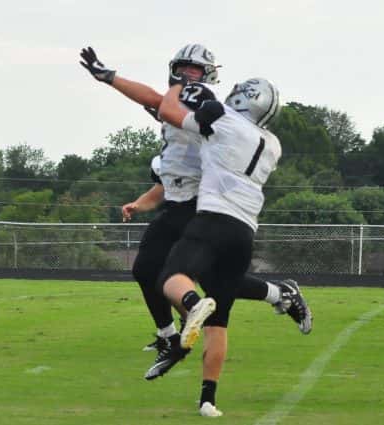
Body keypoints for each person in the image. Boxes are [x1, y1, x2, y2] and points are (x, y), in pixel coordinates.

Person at [80, 45, 312, 388]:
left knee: (188, 277)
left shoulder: (201, 96)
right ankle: (269, 298)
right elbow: (157, 104)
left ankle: (177, 336)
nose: (188, 74)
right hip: (178, 201)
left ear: (208, 75)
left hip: (197, 203)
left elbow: (158, 101)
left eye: (195, 69)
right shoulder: (185, 97)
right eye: (183, 68)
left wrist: (110, 78)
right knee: (169, 273)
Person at [155, 76, 285, 416]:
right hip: (244, 232)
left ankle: (194, 304)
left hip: (214, 219)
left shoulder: (221, 116)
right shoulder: (273, 144)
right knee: (220, 320)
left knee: (171, 277)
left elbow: (168, 110)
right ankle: (208, 400)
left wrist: (178, 85)